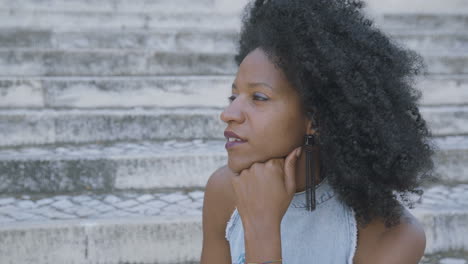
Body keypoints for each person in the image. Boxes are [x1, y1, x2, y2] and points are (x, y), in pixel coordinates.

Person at [201, 0, 436, 263]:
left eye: (258, 97)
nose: (228, 114)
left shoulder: (393, 236)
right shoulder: (224, 190)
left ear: (314, 118)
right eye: (233, 96)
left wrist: (262, 231)